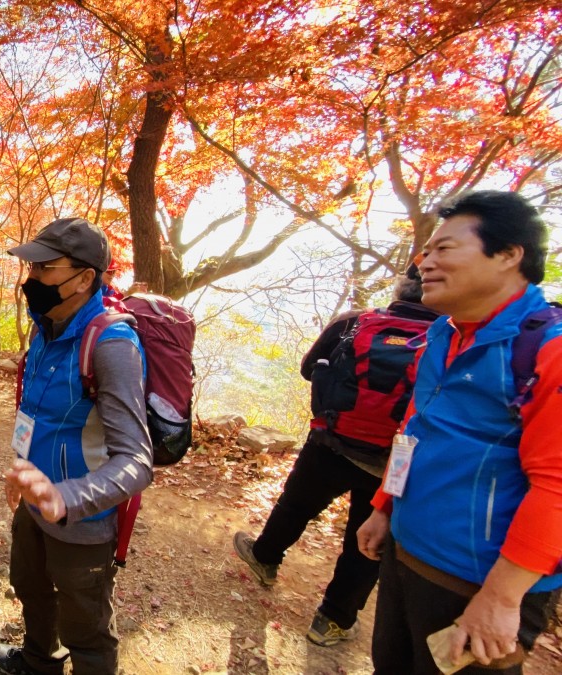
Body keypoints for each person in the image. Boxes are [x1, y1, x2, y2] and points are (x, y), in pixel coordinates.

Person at [355, 191, 562, 674]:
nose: (423, 261)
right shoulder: (444, 334)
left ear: (508, 254)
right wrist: (385, 505)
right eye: (426, 250)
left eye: (444, 248)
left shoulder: (546, 349)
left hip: (476, 584)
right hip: (407, 553)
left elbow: (556, 484)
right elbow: (416, 427)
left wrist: (502, 597)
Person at [233, 270, 440, 647]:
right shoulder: (450, 342)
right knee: (367, 540)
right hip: (395, 460)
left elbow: (308, 368)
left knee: (295, 506)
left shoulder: (355, 321)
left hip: (331, 440)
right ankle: (332, 620)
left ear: (400, 289)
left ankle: (264, 558)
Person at [0, 217, 153, 675]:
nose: (32, 278)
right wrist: (22, 468)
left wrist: (65, 497)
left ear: (84, 278)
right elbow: (39, 413)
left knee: (86, 627)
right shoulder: (45, 329)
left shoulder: (112, 345)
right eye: (32, 267)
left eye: (45, 268)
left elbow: (136, 461)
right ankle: (38, 662)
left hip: (83, 521)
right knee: (31, 589)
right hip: (33, 505)